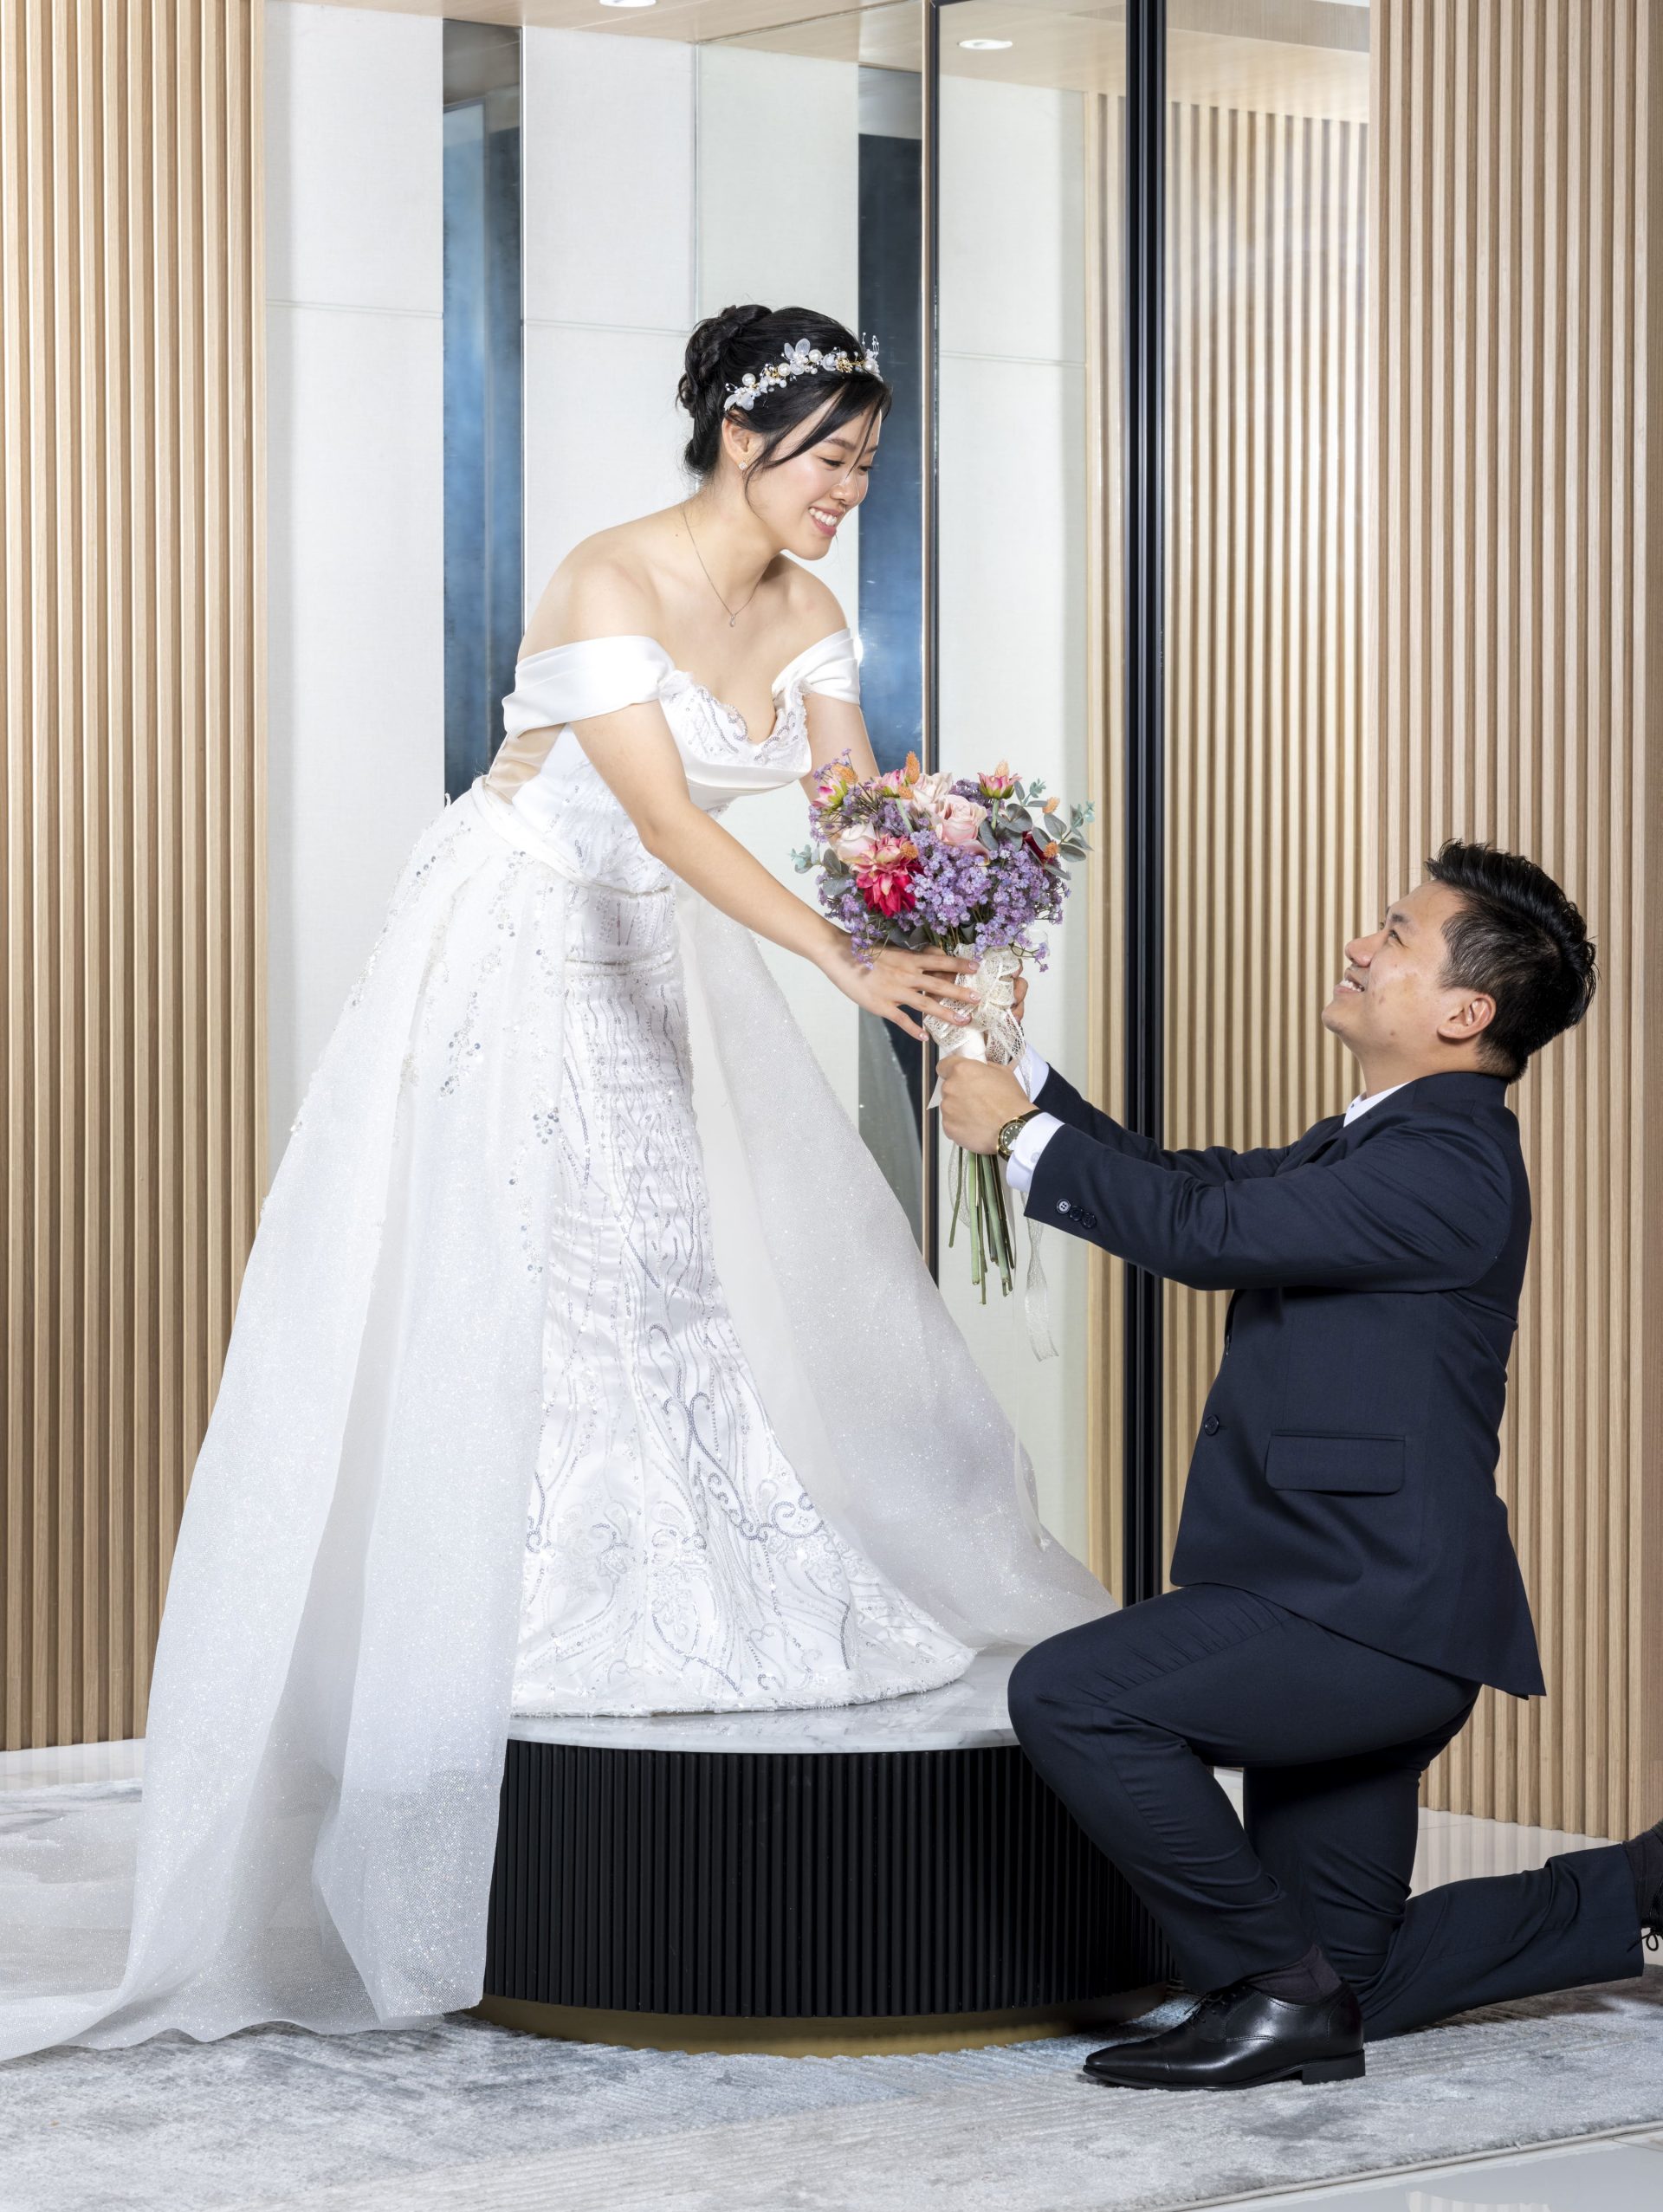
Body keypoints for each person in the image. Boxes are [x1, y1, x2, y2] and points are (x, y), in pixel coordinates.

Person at [0, 304, 1108, 2063]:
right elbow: (663, 818)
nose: (849, 494)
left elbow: (849, 812)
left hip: (667, 943)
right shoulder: (607, 576)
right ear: (743, 438)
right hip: (520, 928)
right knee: (544, 1263)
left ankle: (707, 1562)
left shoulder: (810, 615)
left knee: (693, 1265)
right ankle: (506, 1599)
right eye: (832, 460)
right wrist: (850, 963)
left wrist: (947, 910)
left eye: (866, 468)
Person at [941, 841, 1660, 2091]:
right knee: (1353, 1977)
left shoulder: (1447, 1162)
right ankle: (1642, 1891)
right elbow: (1192, 1183)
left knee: (1076, 1693)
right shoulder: (1379, 1143)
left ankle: (1275, 1994)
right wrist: (1020, 1075)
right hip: (1346, 1600)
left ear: (1464, 1013)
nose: (1358, 945)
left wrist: (1016, 1138)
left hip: (1364, 1614)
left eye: (1396, 933)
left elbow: (1205, 1233)